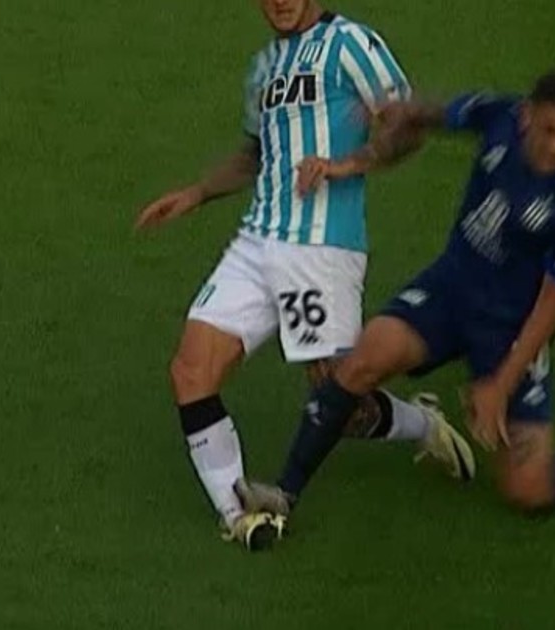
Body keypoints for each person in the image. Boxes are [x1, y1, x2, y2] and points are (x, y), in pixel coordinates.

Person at [237, 69, 555, 523]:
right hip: (450, 290)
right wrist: (405, 112)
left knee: (530, 491)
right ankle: (284, 493)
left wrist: (500, 385)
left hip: (511, 327)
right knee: (364, 359)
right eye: (549, 129)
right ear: (527, 115)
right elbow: (444, 113)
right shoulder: (500, 116)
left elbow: (551, 305)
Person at [135, 0, 474, 550]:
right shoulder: (264, 66)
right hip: (256, 243)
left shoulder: (351, 44)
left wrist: (348, 164)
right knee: (191, 370)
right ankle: (239, 516)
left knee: (343, 405)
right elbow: (256, 153)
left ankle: (422, 424)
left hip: (321, 247)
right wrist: (196, 193)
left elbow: (408, 125)